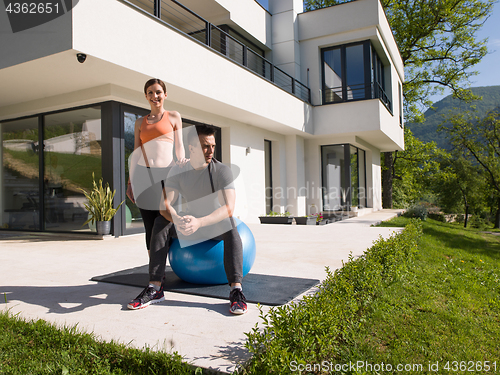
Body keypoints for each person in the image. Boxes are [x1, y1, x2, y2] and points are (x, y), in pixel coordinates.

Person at [127, 125, 247, 315]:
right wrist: (177, 218)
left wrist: (200, 222)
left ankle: (236, 291)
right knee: (160, 222)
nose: (210, 151)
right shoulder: (178, 171)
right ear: (191, 148)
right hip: (187, 225)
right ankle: (155, 287)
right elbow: (164, 204)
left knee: (231, 225)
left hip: (211, 225)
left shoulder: (221, 170)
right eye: (205, 146)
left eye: (212, 146)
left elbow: (229, 208)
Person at [126, 78, 187, 255]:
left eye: (158, 92)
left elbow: (179, 146)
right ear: (146, 96)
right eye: (150, 93)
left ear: (165, 95)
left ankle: (166, 263)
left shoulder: (174, 116)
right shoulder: (140, 123)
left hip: (166, 175)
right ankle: (154, 269)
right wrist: (131, 182)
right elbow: (136, 152)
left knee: (165, 219)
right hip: (143, 176)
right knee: (149, 224)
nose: (155, 96)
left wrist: (181, 162)